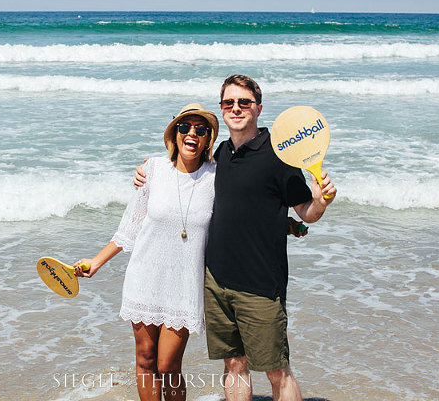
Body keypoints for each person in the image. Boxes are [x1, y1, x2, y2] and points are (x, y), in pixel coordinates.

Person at [134, 75, 336, 401]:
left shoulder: (280, 154)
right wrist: (148, 170)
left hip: (260, 284)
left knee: (277, 371)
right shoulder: (220, 156)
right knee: (234, 365)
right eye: (229, 102)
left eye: (244, 102)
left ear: (258, 108)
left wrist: (321, 200)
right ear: (222, 109)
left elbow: (307, 211)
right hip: (216, 282)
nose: (236, 108)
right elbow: (187, 179)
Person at [74, 103, 219, 401]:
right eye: (185, 127)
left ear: (208, 139)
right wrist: (96, 262)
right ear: (174, 133)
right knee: (145, 358)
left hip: (184, 284)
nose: (192, 133)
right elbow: (130, 227)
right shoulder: (152, 169)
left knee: (168, 365)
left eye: (200, 130)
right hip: (145, 276)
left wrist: (282, 223)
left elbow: (243, 211)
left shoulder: (217, 177)